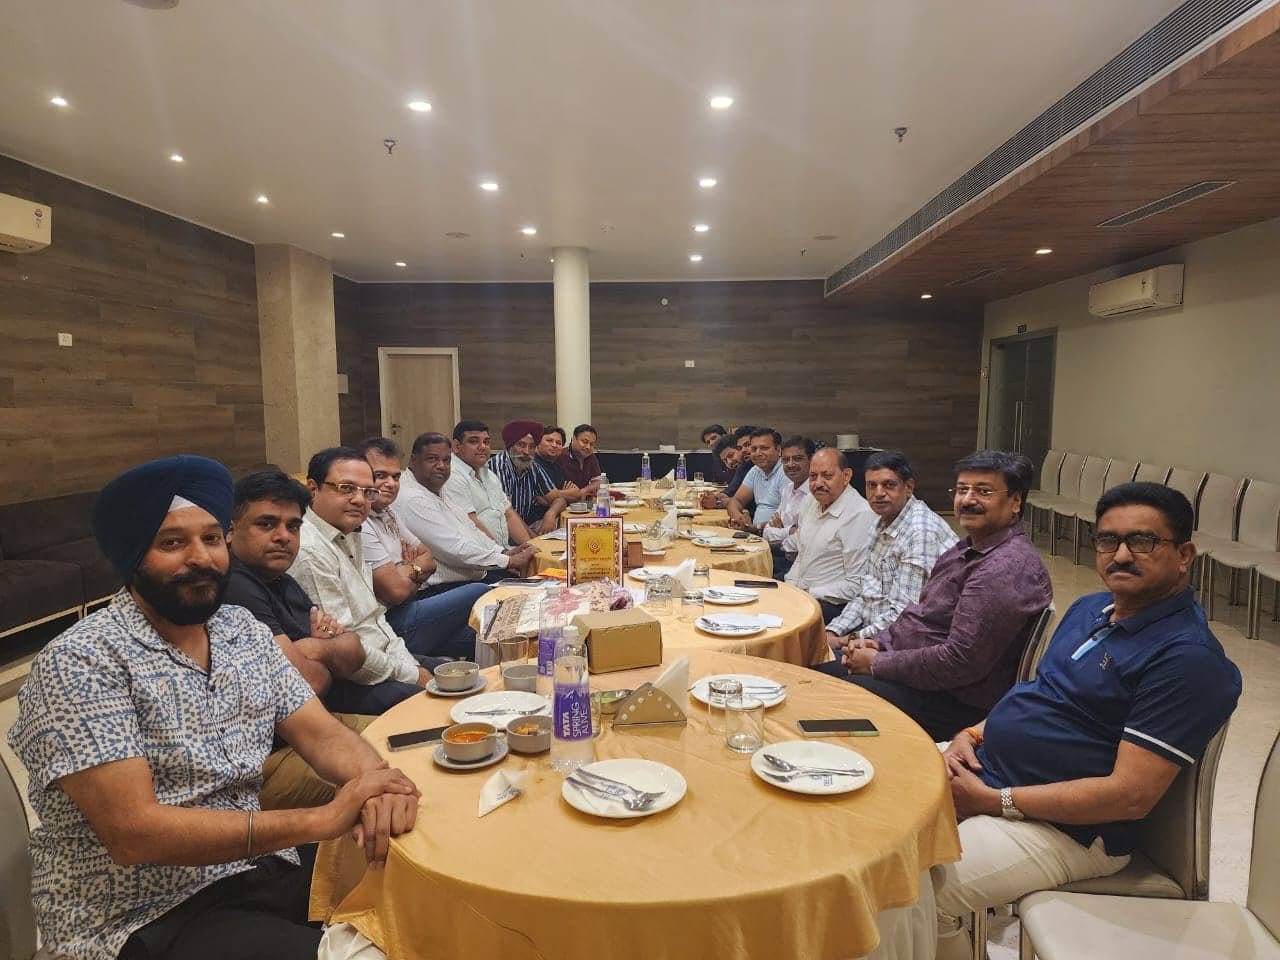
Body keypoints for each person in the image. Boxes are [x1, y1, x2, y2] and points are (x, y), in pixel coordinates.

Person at [7, 455, 419, 960]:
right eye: (172, 543)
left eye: (211, 538)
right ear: (133, 555)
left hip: (256, 868)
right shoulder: (82, 661)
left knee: (421, 889)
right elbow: (135, 833)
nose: (200, 558)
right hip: (142, 913)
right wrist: (323, 818)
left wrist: (376, 784)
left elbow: (321, 733)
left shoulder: (239, 629)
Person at [932, 482, 1241, 960]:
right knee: (872, 803)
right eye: (1108, 540)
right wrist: (969, 735)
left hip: (1068, 831)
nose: (1121, 555)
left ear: (1184, 555)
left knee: (906, 885)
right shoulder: (1089, 609)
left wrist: (994, 801)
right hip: (988, 773)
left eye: (1142, 541)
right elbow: (1039, 697)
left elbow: (1129, 795)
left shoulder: (1186, 659)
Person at [816, 450, 1052, 741]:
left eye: (983, 491)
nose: (968, 500)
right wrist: (878, 642)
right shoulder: (969, 548)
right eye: (962, 490)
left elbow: (959, 661)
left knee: (822, 695)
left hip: (951, 701)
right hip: (917, 670)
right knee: (814, 673)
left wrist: (877, 662)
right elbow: (920, 616)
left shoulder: (1003, 568)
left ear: (1015, 501)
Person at [223, 469, 386, 809]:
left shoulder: (282, 580)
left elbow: (354, 651)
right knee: (398, 779)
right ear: (230, 530)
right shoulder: (236, 586)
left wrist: (311, 649)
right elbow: (309, 682)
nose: (283, 536)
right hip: (268, 756)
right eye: (266, 524)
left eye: (293, 526)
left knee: (424, 739)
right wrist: (325, 656)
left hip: (318, 724)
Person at [289, 447, 445, 715]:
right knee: (436, 704)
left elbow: (375, 619)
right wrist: (412, 676)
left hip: (381, 650)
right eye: (347, 488)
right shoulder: (310, 550)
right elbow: (346, 649)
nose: (359, 500)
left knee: (458, 672)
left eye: (367, 492)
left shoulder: (351, 531)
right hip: (349, 678)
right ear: (313, 489)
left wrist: (410, 667)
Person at [357, 437, 490, 658]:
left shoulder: (388, 512)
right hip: (389, 622)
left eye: (395, 477)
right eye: (380, 476)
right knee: (480, 590)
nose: (391, 483)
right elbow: (395, 592)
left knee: (486, 634)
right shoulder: (361, 523)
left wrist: (405, 571)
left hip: (413, 602)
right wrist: (415, 571)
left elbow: (427, 557)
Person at [825, 451, 958, 649]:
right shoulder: (880, 524)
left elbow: (904, 616)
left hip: (910, 643)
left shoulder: (920, 532)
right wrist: (834, 631)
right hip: (875, 630)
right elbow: (866, 594)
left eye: (888, 485)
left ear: (908, 488)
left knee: (811, 661)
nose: (878, 493)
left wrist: (847, 640)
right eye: (872, 485)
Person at [397, 431, 539, 585]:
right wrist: (507, 560)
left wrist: (503, 552)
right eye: (432, 459)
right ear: (413, 461)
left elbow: (470, 530)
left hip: (478, 572)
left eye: (446, 460)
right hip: (445, 587)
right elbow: (456, 548)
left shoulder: (437, 488)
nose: (441, 466)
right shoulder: (413, 498)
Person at [784, 448, 877, 621]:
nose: (818, 483)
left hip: (833, 605)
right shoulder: (810, 501)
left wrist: (808, 593)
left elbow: (857, 584)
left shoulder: (860, 514)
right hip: (801, 594)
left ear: (846, 476)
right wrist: (788, 588)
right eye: (813, 476)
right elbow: (802, 556)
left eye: (827, 476)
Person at [443, 419, 534, 548]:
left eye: (486, 442)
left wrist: (529, 546)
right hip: (478, 555)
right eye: (474, 441)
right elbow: (470, 523)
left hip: (501, 551)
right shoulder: (451, 475)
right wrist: (502, 555)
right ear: (457, 446)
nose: (483, 447)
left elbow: (508, 514)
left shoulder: (488, 474)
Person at [488, 420, 568, 535]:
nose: (526, 451)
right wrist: (533, 539)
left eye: (531, 447)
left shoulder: (533, 467)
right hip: (499, 530)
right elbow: (508, 514)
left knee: (564, 528)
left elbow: (559, 499)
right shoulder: (499, 466)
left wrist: (550, 514)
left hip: (525, 524)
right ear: (510, 445)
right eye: (521, 445)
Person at [762, 435, 814, 580]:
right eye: (785, 460)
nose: (790, 464)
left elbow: (802, 541)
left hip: (802, 567)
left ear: (811, 460)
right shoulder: (787, 490)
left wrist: (781, 531)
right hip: (782, 557)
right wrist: (789, 530)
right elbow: (767, 532)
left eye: (797, 459)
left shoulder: (816, 493)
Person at [725, 427, 788, 533]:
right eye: (754, 449)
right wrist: (738, 518)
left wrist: (753, 528)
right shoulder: (756, 470)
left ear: (778, 450)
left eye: (764, 448)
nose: (758, 453)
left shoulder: (787, 471)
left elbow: (786, 519)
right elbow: (736, 500)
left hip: (778, 537)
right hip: (756, 533)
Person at [560, 423, 603, 493]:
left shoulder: (591, 456)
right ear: (573, 439)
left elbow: (597, 482)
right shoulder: (560, 456)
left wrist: (583, 491)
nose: (588, 447)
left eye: (592, 444)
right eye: (585, 442)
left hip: (583, 498)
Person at [722, 425, 756, 498]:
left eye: (747, 445)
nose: (743, 450)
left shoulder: (777, 469)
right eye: (740, 448)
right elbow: (730, 492)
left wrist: (719, 501)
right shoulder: (745, 466)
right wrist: (715, 498)